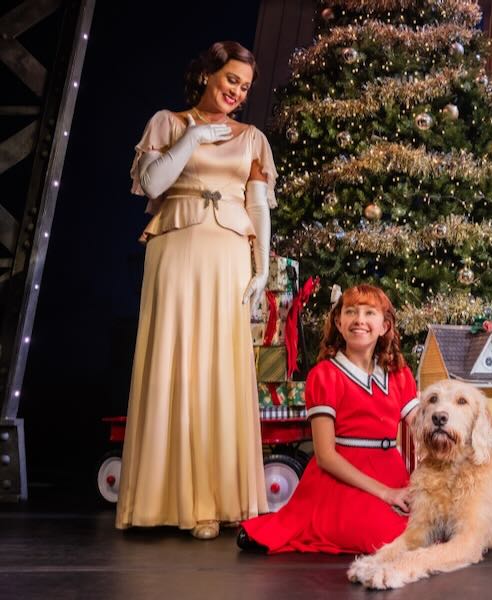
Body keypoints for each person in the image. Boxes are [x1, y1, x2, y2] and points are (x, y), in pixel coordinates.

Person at [116, 41, 277, 540]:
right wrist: (193, 137)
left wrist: (262, 268)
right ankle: (163, 500)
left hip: (229, 254)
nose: (237, 92)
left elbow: (258, 205)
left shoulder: (252, 138)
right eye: (231, 80)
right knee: (173, 359)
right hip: (176, 249)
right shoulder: (167, 122)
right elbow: (153, 184)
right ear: (208, 74)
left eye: (245, 87)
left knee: (220, 367)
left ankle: (217, 499)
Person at [237, 284, 419, 555]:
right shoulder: (325, 375)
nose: (359, 320)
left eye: (369, 313)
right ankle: (284, 526)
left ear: (385, 326)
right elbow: (325, 456)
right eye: (351, 312)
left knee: (422, 527)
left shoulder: (399, 374)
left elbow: (424, 430)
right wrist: (386, 493)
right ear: (338, 322)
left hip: (391, 471)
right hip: (343, 476)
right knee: (387, 537)